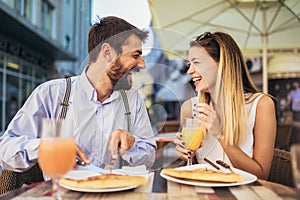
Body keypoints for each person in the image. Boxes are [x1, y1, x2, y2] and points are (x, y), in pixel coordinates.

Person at [0, 16, 156, 173]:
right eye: (135, 56)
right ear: (107, 52)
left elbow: (149, 156)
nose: (142, 64)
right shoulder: (52, 94)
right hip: (64, 194)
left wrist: (132, 145)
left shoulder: (132, 99)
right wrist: (46, 146)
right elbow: (5, 150)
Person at [174, 31, 276, 179]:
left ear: (222, 64)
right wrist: (187, 155)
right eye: (189, 64)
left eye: (197, 63)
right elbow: (195, 168)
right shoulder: (189, 109)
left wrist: (219, 134)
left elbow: (261, 175)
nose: (189, 71)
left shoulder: (261, 105)